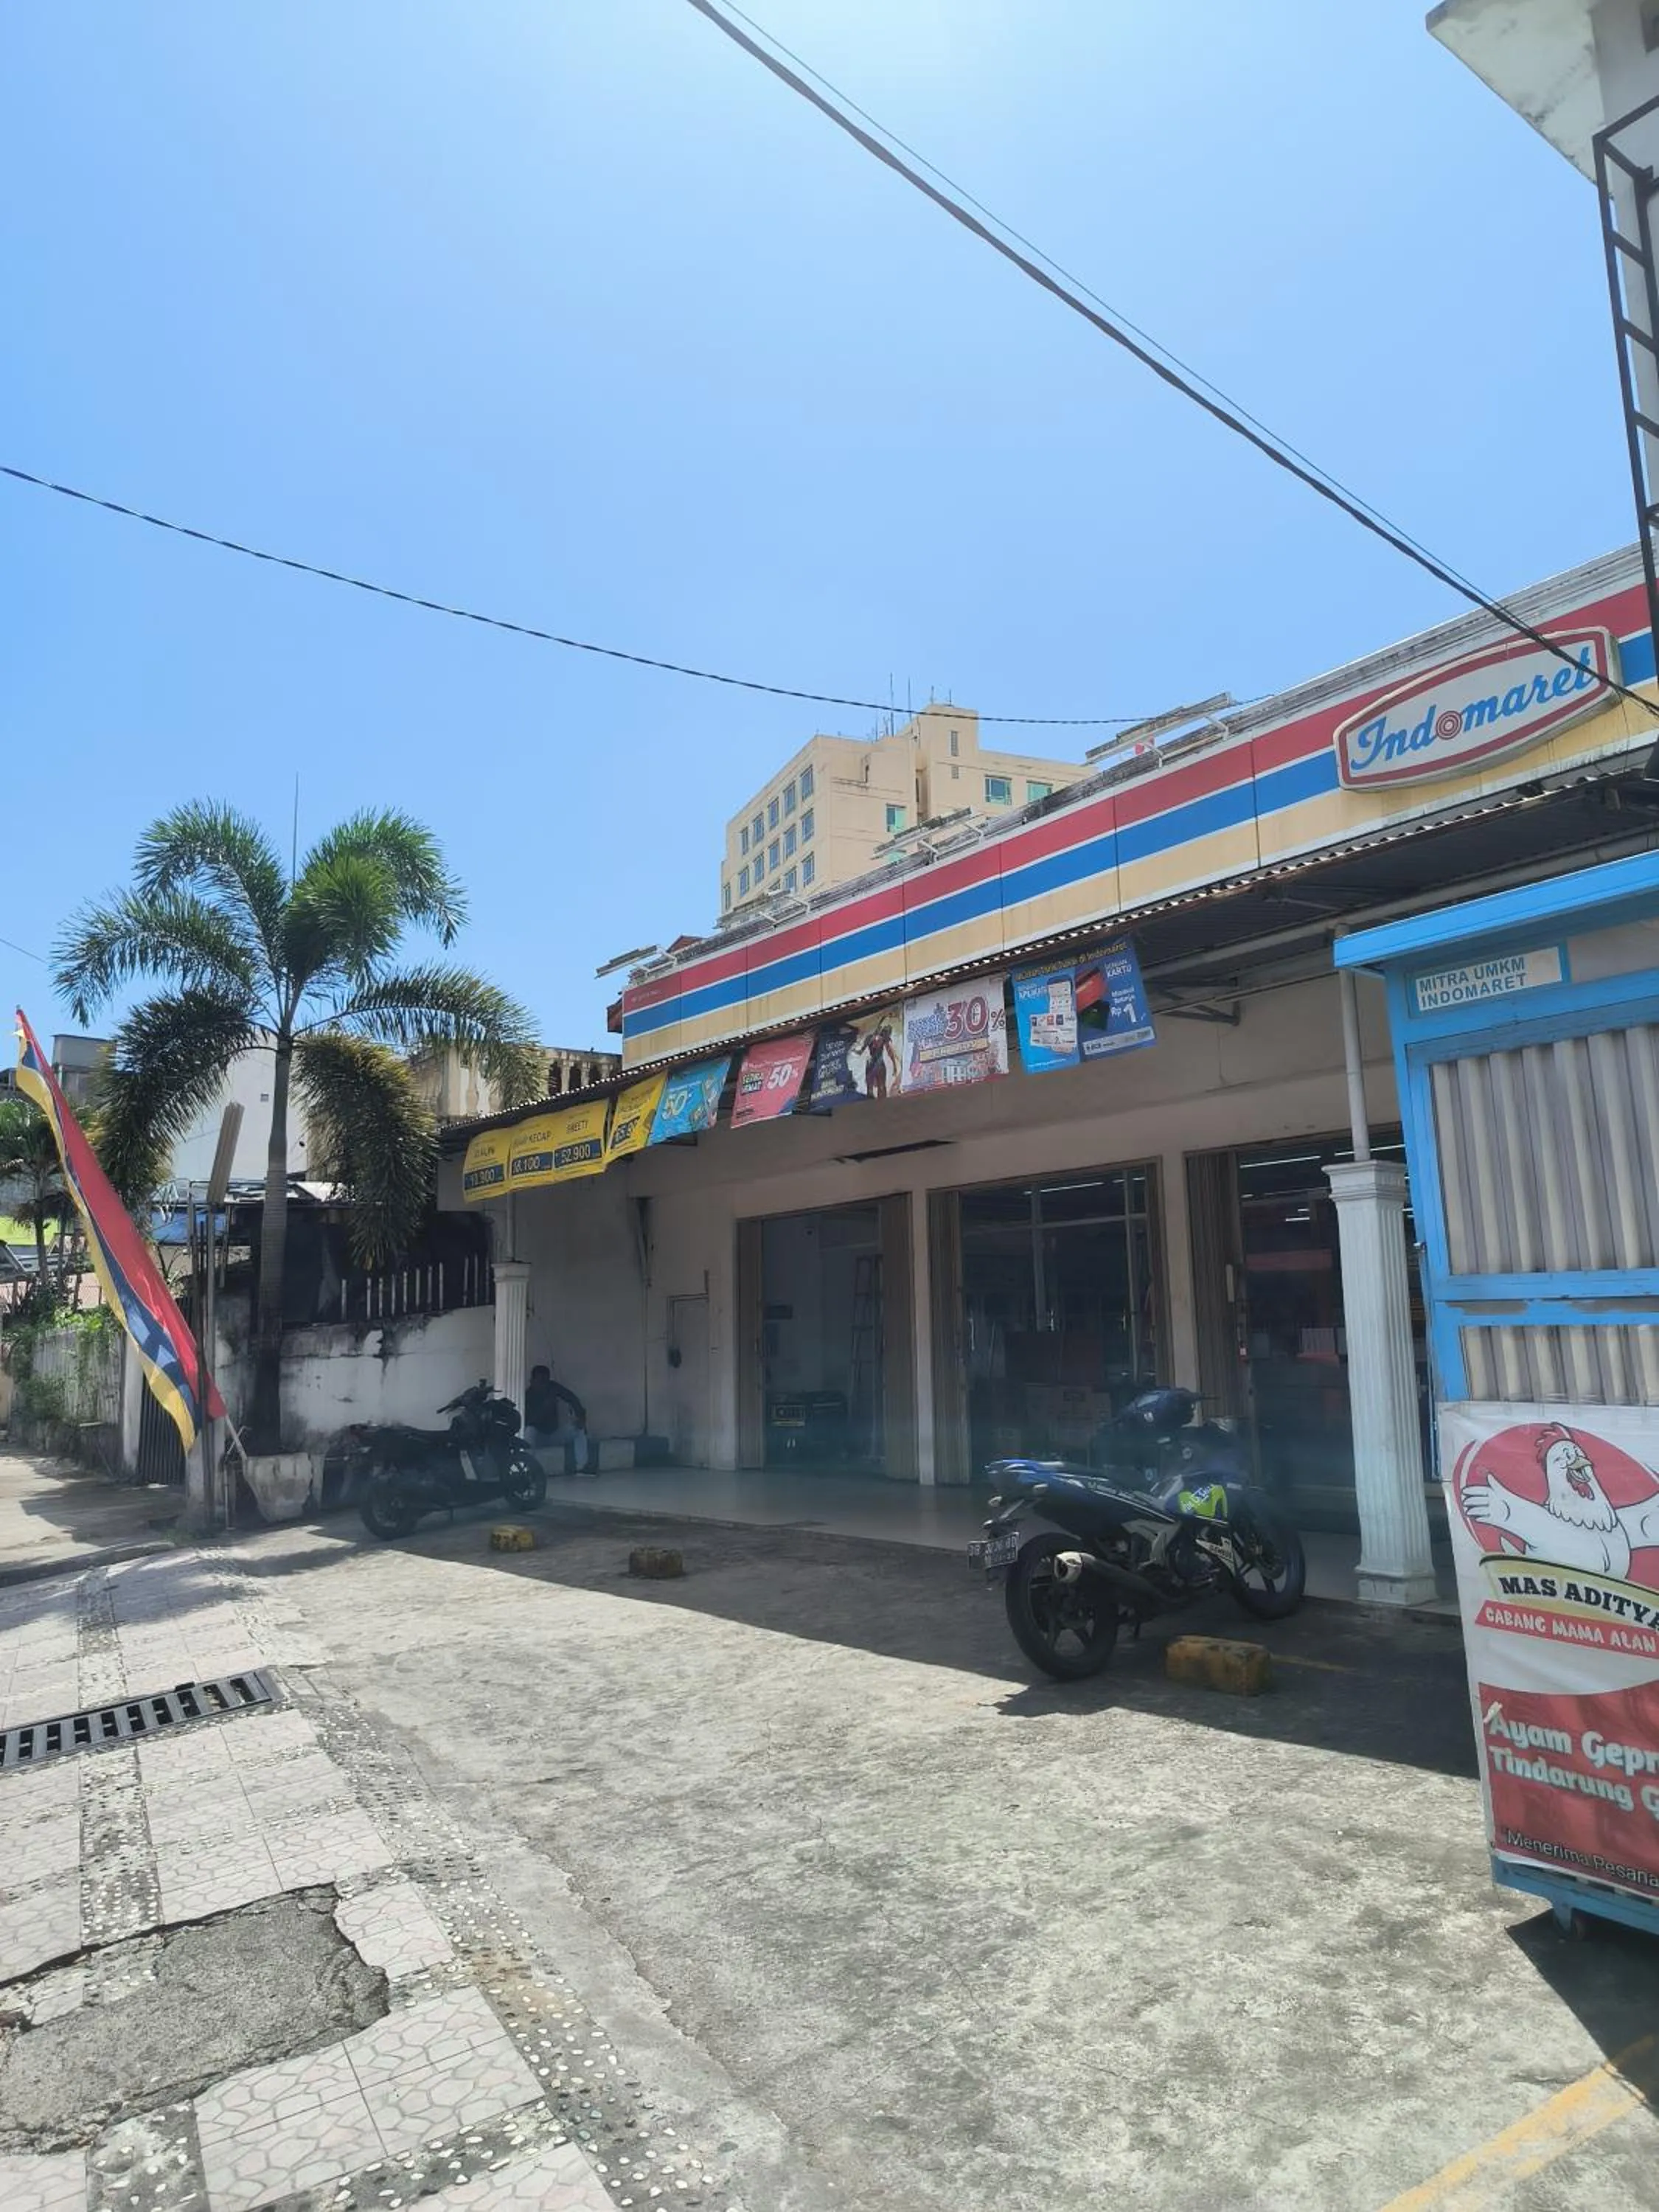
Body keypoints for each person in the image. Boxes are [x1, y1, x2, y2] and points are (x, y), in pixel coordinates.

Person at [523, 1361, 591, 1474]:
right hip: (537, 1438)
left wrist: (581, 1417)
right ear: (532, 1381)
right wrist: (544, 1408)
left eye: (546, 1381)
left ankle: (582, 1467)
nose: (544, 1385)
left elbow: (572, 1398)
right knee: (529, 1431)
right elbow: (528, 1422)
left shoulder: (553, 1388)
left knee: (578, 1429)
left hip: (554, 1434)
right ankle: (527, 1469)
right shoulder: (528, 1396)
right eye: (540, 1382)